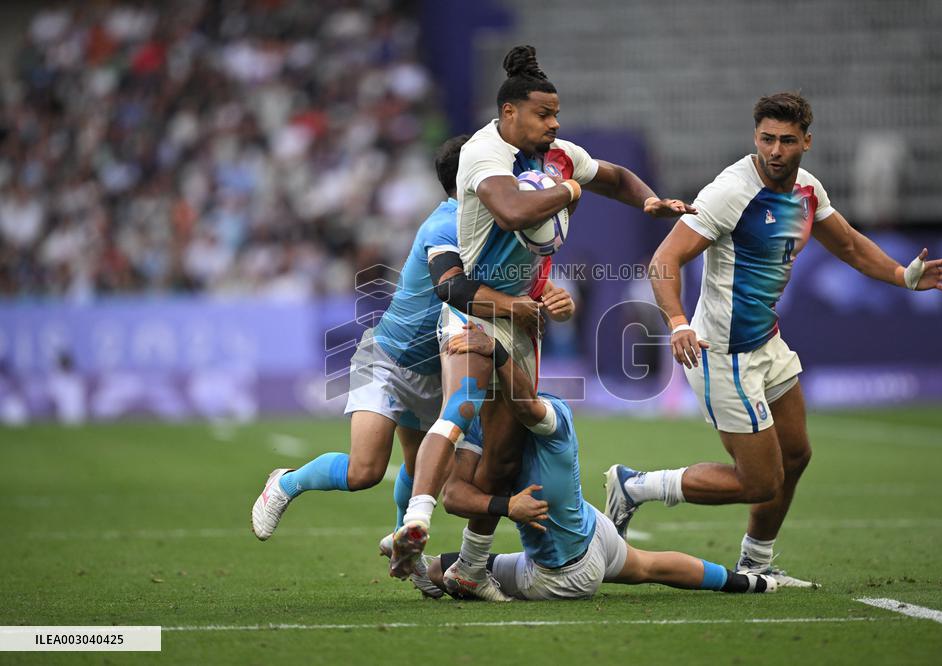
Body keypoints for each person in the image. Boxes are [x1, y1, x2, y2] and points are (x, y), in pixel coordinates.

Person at [606, 92, 942, 587]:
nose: (775, 150)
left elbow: (851, 245)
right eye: (767, 139)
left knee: (796, 455)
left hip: (766, 342)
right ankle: (635, 485)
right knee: (759, 480)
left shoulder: (808, 190)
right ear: (755, 138)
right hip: (719, 352)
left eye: (787, 141)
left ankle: (756, 563)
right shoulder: (731, 192)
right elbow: (664, 260)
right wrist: (678, 321)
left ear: (806, 142)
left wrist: (903, 275)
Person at [390, 44, 696, 596]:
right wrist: (572, 190)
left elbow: (617, 176)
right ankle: (416, 516)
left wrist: (648, 201)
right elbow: (513, 210)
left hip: (524, 319)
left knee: (506, 452)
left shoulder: (554, 154)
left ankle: (470, 567)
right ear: (509, 114)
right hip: (474, 304)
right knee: (460, 406)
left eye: (557, 114)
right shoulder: (483, 155)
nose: (555, 125)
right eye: (544, 115)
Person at [250, 135, 535, 597]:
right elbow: (452, 290)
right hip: (390, 360)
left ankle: (407, 547)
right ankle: (285, 483)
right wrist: (513, 305)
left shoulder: (489, 227)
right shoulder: (446, 225)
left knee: (421, 464)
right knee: (365, 471)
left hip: (440, 365)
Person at [423, 323, 775, 601]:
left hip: (562, 573)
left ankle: (425, 565)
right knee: (649, 565)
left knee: (441, 570)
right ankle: (750, 583)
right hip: (595, 532)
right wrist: (507, 505)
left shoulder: (552, 414)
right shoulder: (481, 429)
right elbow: (453, 497)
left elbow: (526, 406)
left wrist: (497, 351)